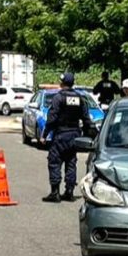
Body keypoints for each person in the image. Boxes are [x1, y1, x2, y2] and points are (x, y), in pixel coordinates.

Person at [42, 72, 93, 203]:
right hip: (74, 135)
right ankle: (69, 192)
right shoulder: (80, 98)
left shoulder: (58, 98)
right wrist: (90, 136)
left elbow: (51, 118)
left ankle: (55, 192)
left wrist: (45, 134)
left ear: (62, 83)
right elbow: (86, 119)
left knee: (54, 161)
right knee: (71, 162)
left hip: (60, 135)